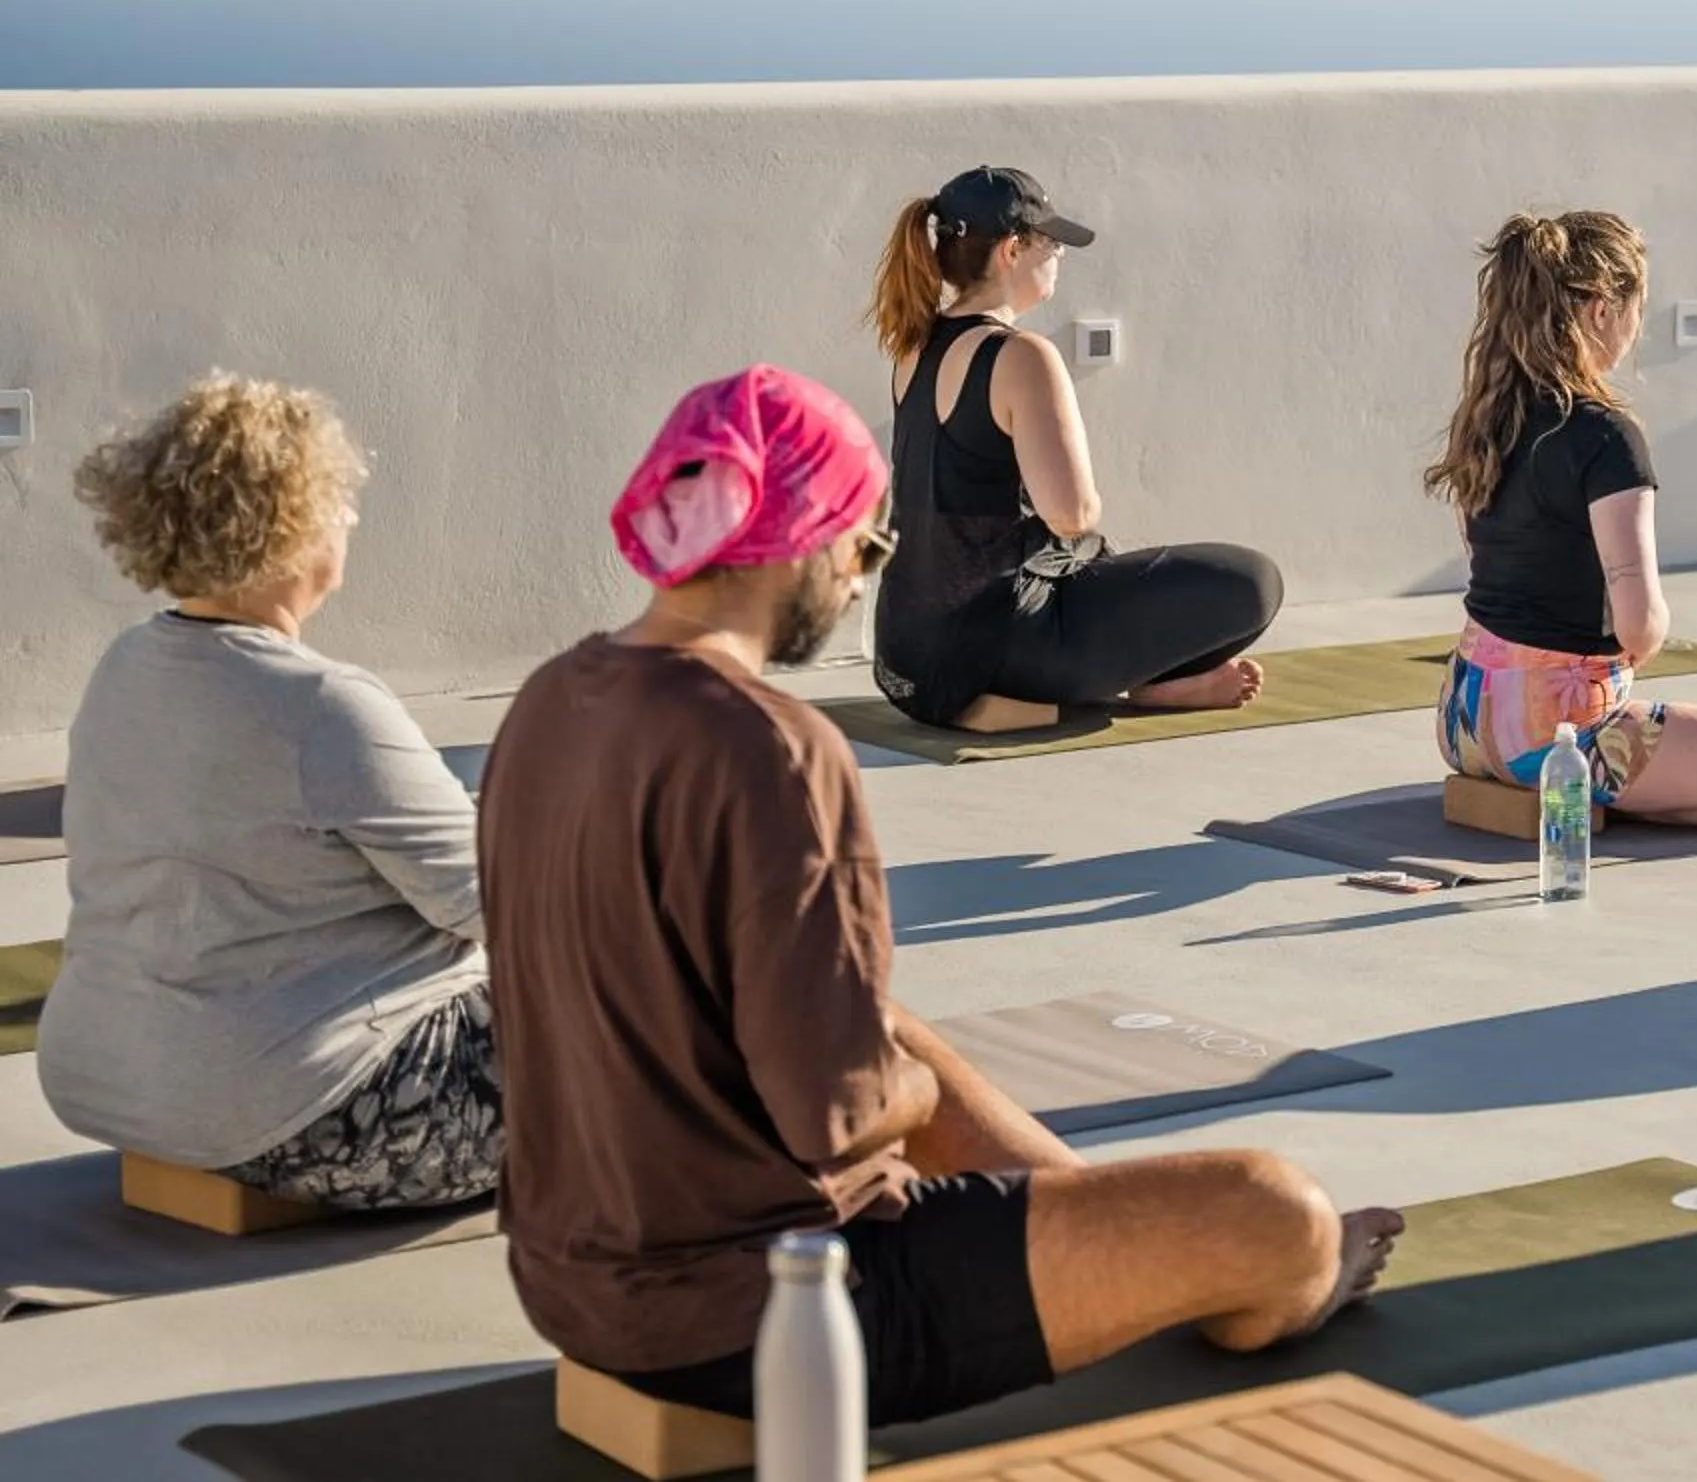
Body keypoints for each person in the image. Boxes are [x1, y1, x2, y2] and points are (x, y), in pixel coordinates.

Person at [477, 366, 1398, 1427]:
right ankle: (1246, 1273)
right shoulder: (770, 748)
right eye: (866, 546)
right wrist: (899, 1082)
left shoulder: (551, 702)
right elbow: (836, 1111)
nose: (861, 580)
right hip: (772, 1309)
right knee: (1274, 1212)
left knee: (891, 1027)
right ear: (808, 532)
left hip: (567, 1281)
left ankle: (1098, 1222)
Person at [40, 373, 496, 1209]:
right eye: (336, 503)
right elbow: (506, 908)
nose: (351, 520)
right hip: (301, 1112)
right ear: (285, 531)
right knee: (660, 998)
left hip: (116, 1086)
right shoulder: (322, 706)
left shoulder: (124, 670)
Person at [1423, 212, 1697, 830]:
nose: (1636, 327)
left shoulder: (1490, 417)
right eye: (1635, 309)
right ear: (1600, 310)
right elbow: (1639, 624)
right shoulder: (1605, 436)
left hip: (1463, 722)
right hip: (1561, 736)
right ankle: (1602, 790)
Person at [863, 166, 1281, 729]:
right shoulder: (1021, 356)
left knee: (1103, 568)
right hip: (993, 649)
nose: (1059, 256)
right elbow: (1073, 514)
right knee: (1254, 582)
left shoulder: (912, 348)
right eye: (1052, 244)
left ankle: (1101, 686)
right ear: (1013, 250)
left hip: (904, 657)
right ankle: (1144, 687)